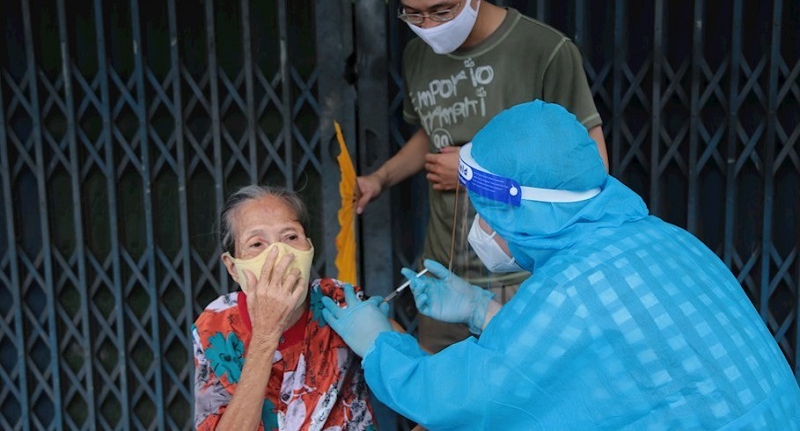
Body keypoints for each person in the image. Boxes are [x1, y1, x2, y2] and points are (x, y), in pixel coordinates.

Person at [322, 101, 800, 429]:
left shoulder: (569, 288)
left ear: (519, 209)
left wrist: (381, 344)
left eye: (486, 217)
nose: (483, 230)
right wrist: (483, 311)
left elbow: (470, 401)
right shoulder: (667, 238)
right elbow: (608, 354)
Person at [355, 0, 608, 352]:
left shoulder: (543, 50)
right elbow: (431, 132)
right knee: (446, 407)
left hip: (523, 279)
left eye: (441, 10)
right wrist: (380, 179)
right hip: (440, 277)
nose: (429, 26)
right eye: (413, 14)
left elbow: (592, 167)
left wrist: (475, 174)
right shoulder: (418, 54)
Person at [192, 185, 377, 430]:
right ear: (233, 267)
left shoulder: (342, 302)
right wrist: (266, 334)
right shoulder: (217, 326)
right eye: (257, 244)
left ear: (309, 248)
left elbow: (429, 393)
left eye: (291, 237)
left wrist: (387, 343)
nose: (279, 254)